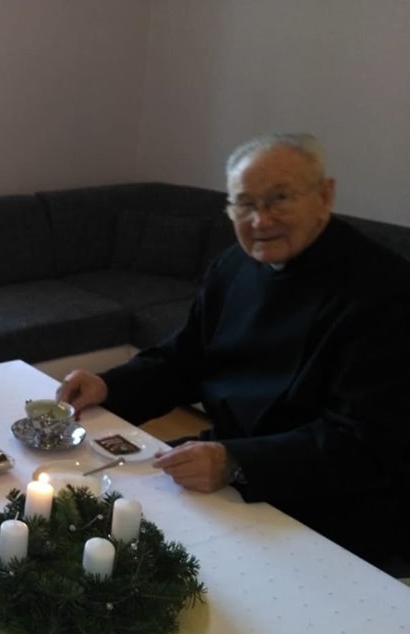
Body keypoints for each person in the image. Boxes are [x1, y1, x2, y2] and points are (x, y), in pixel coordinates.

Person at [57, 133, 410, 568]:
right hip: (233, 461)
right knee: (96, 513)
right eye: (244, 204)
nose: (260, 219)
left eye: (280, 198)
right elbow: (186, 358)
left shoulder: (386, 290)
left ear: (325, 196)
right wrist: (110, 387)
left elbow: (365, 441)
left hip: (333, 502)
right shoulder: (234, 265)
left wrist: (237, 462)